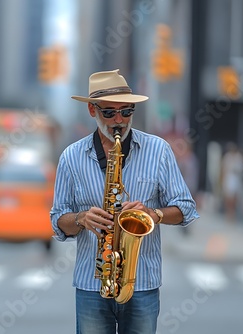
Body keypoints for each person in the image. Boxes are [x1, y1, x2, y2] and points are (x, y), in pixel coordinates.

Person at [50, 69, 199, 334]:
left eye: (127, 111)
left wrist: (153, 214)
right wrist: (81, 219)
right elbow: (58, 221)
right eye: (109, 112)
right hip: (91, 284)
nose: (119, 120)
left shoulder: (159, 150)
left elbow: (186, 208)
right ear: (92, 111)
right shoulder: (70, 157)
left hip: (142, 283)